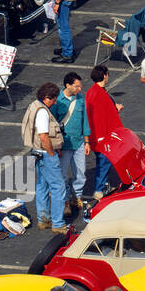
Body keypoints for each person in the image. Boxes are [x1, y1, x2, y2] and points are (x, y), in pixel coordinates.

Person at [22, 82, 67, 233]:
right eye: (53, 99)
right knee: (58, 187)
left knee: (42, 185)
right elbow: (43, 136)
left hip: (37, 153)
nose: (55, 102)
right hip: (46, 153)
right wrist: (52, 153)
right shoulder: (42, 112)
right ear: (47, 97)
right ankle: (58, 224)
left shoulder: (34, 105)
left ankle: (43, 220)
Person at [53, 71, 90, 218]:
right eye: (77, 86)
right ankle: (66, 200)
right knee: (62, 175)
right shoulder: (58, 101)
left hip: (79, 142)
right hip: (64, 145)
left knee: (80, 173)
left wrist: (87, 142)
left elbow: (85, 122)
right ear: (67, 85)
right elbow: (53, 124)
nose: (79, 89)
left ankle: (77, 196)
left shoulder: (80, 99)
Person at [85, 64, 124, 197]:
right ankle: (98, 189)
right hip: (103, 136)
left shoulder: (92, 92)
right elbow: (103, 117)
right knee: (104, 163)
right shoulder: (100, 94)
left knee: (102, 163)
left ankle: (102, 186)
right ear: (105, 76)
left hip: (95, 135)